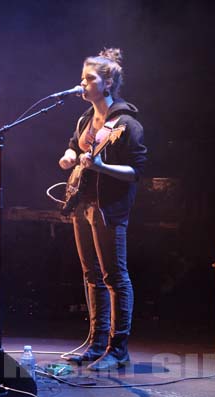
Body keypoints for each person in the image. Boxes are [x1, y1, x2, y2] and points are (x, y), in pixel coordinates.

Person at [58, 48, 148, 371]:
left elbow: (137, 172)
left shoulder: (126, 124)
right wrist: (69, 156)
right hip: (82, 203)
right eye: (82, 78)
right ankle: (96, 343)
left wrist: (100, 166)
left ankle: (118, 348)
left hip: (109, 208)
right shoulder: (85, 119)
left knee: (114, 276)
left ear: (107, 83)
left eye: (89, 78)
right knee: (91, 274)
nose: (82, 83)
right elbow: (73, 145)